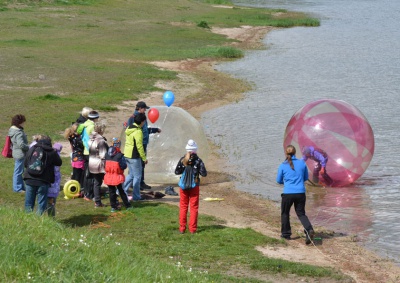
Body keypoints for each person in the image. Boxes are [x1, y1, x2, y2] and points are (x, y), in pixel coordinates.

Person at [276, 145, 314, 245]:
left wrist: (287, 182)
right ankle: (309, 229)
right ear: (295, 153)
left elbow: (278, 180)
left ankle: (286, 234)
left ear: (286, 153)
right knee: (301, 213)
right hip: (301, 193)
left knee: (285, 213)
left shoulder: (283, 165)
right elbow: (305, 178)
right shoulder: (302, 163)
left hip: (288, 193)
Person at [126, 101, 161, 190]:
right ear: (140, 108)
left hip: (143, 143)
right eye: (144, 108)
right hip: (137, 144)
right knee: (137, 164)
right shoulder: (133, 118)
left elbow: (145, 130)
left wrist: (155, 130)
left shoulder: (142, 118)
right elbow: (132, 131)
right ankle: (136, 183)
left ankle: (140, 182)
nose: (145, 110)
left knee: (141, 164)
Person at [174, 139, 207, 234]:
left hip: (183, 186)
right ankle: (192, 229)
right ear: (195, 150)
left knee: (183, 207)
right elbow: (204, 174)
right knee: (194, 207)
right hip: (194, 186)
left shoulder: (182, 160)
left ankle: (182, 228)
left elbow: (176, 172)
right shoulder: (198, 161)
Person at [23, 135, 62, 215]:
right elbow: (59, 162)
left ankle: (27, 219)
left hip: (30, 178)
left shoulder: (33, 148)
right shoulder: (51, 152)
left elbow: (26, 162)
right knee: (41, 203)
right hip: (43, 180)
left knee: (29, 202)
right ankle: (38, 221)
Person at [123, 113, 147, 201]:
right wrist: (144, 158)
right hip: (134, 156)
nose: (144, 122)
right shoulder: (138, 132)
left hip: (127, 154)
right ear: (141, 122)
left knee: (131, 175)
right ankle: (136, 196)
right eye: (144, 121)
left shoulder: (130, 127)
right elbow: (139, 146)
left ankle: (121, 191)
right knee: (137, 176)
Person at [104, 138, 132, 212]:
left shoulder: (106, 155)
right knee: (121, 191)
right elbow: (124, 166)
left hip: (109, 176)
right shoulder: (119, 156)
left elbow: (104, 166)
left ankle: (113, 207)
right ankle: (127, 205)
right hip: (117, 176)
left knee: (111, 192)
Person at [77, 110, 100, 201]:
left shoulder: (83, 125)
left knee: (87, 174)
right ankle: (90, 194)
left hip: (85, 151)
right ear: (96, 118)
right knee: (92, 174)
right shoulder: (92, 126)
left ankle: (86, 193)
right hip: (91, 151)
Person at [88, 122, 108, 208]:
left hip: (91, 161)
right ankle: (99, 201)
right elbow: (103, 155)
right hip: (99, 163)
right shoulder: (101, 141)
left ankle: (97, 201)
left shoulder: (91, 138)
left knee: (96, 182)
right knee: (100, 182)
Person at [8, 114, 29, 193]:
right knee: (18, 172)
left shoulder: (12, 130)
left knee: (19, 171)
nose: (24, 123)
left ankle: (21, 187)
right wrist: (29, 147)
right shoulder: (18, 132)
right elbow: (21, 145)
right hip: (20, 154)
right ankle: (17, 188)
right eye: (23, 122)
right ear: (19, 122)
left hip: (16, 153)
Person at [64, 123, 85, 193]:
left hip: (74, 158)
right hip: (80, 158)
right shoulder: (78, 138)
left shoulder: (71, 137)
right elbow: (83, 146)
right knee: (80, 175)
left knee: (75, 174)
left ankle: (73, 188)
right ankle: (78, 189)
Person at [47, 143, 62, 217]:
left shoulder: (49, 155)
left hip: (51, 182)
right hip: (54, 183)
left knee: (49, 201)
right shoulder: (56, 157)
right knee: (51, 202)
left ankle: (50, 217)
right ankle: (51, 218)